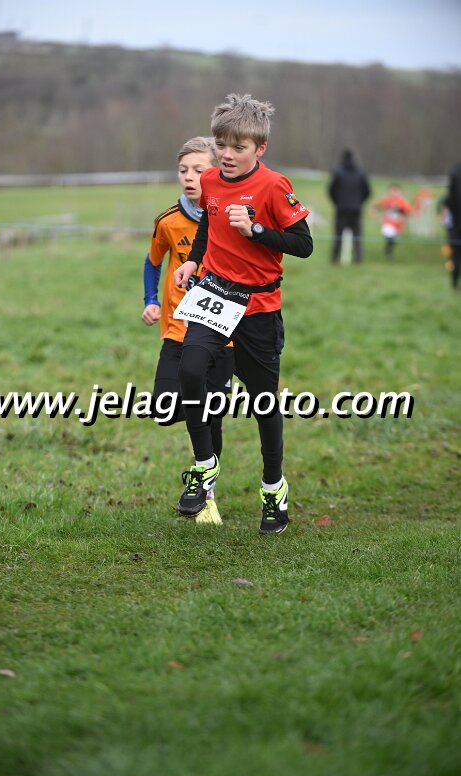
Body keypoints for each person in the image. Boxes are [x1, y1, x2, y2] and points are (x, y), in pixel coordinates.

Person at [173, 94, 313, 534]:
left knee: (263, 402)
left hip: (259, 306)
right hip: (214, 293)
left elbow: (304, 245)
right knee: (190, 370)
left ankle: (273, 488)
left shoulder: (274, 186)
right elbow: (207, 226)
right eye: (221, 145)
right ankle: (204, 465)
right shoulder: (210, 181)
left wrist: (256, 230)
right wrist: (194, 261)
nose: (227, 155)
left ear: (260, 148)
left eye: (239, 147)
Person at [141, 135, 234, 523]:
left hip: (222, 334)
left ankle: (206, 492)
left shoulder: (231, 217)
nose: (189, 177)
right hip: (177, 330)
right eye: (183, 170)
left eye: (199, 169)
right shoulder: (167, 221)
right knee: (165, 409)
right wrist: (151, 300)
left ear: (216, 172)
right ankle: (204, 460)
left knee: (213, 415)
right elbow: (152, 262)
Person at [328, 148, 370, 264]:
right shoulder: (361, 172)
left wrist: (338, 202)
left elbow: (331, 190)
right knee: (357, 235)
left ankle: (335, 258)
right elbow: (367, 191)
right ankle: (358, 258)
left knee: (338, 235)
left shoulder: (338, 172)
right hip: (356, 209)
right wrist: (359, 202)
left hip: (341, 209)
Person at [375, 184, 413, 259]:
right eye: (392, 191)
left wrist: (404, 217)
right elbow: (377, 207)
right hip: (388, 222)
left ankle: (389, 249)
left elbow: (409, 211)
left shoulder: (402, 201)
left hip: (398, 225)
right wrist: (377, 215)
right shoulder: (387, 200)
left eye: (396, 191)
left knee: (394, 239)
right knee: (388, 234)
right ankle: (388, 251)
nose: (394, 193)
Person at [444, 163, 461, 289]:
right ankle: (454, 284)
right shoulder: (456, 171)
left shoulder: (456, 171)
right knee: (456, 254)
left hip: (456, 223)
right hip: (456, 222)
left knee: (456, 254)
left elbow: (449, 199)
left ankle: (454, 284)